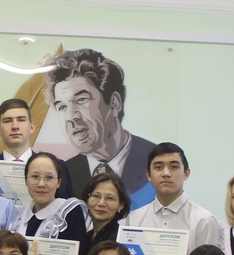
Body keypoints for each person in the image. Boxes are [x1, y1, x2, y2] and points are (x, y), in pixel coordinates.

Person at [41, 47, 156, 205]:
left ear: (114, 103)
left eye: (81, 100)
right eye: (62, 107)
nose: (71, 116)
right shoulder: (66, 173)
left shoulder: (154, 161)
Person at [123, 142, 221, 255]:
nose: (166, 173)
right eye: (158, 167)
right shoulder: (133, 219)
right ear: (148, 175)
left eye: (174, 167)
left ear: (186, 173)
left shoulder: (204, 221)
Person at [10, 151, 92, 255]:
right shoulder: (19, 215)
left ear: (59, 182)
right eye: (35, 176)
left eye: (49, 177)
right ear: (26, 180)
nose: (41, 184)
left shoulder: (69, 211)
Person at [0, 98, 72, 198]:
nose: (15, 126)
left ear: (32, 127)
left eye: (21, 120)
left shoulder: (57, 166)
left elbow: (67, 205)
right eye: (8, 121)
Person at [73, 171, 132, 255]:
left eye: (109, 198)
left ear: (121, 205)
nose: (101, 203)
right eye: (96, 196)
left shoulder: (121, 240)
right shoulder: (85, 237)